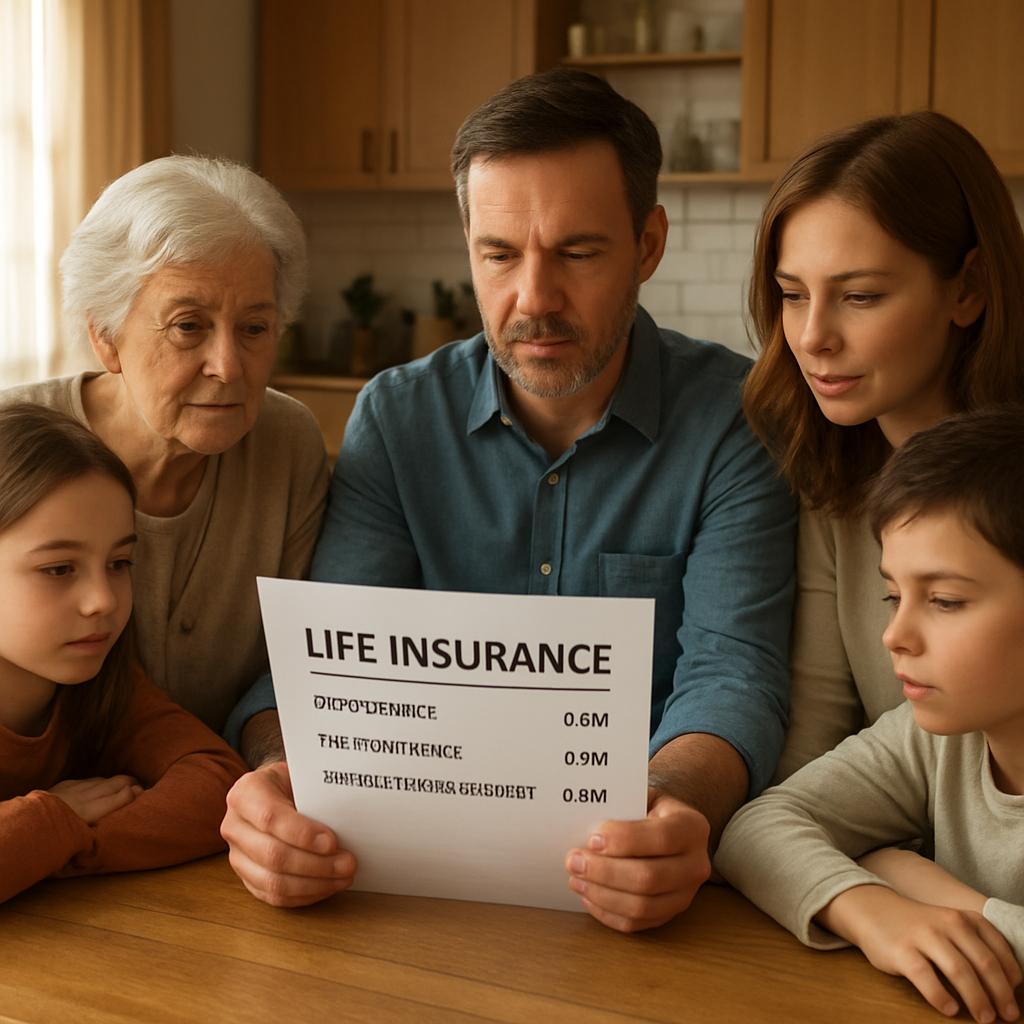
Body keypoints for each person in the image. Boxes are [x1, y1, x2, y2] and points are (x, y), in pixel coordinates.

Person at [221, 68, 796, 931]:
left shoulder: (734, 420)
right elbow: (327, 666)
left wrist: (673, 804)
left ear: (648, 244)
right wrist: (276, 773)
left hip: (634, 888)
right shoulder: (397, 414)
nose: (534, 299)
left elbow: (734, 675)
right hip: (404, 886)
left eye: (577, 251)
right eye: (499, 254)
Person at [0, 156, 329, 735]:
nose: (228, 367)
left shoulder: (287, 442)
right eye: (187, 325)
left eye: (254, 328)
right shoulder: (14, 437)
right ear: (106, 338)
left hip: (220, 791)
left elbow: (299, 661)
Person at [716, 407, 1024, 1024]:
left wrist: (917, 880)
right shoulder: (935, 738)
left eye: (944, 600)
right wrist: (871, 905)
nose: (895, 635)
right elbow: (755, 830)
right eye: (893, 595)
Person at [742, 111, 1024, 781]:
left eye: (860, 296)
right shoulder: (830, 474)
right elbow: (811, 751)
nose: (812, 337)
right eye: (791, 295)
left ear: (969, 287)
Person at [0, 404, 247, 903]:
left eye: (118, 562)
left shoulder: (106, 683)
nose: (104, 601)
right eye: (58, 569)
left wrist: (71, 841)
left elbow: (217, 781)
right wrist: (52, 814)